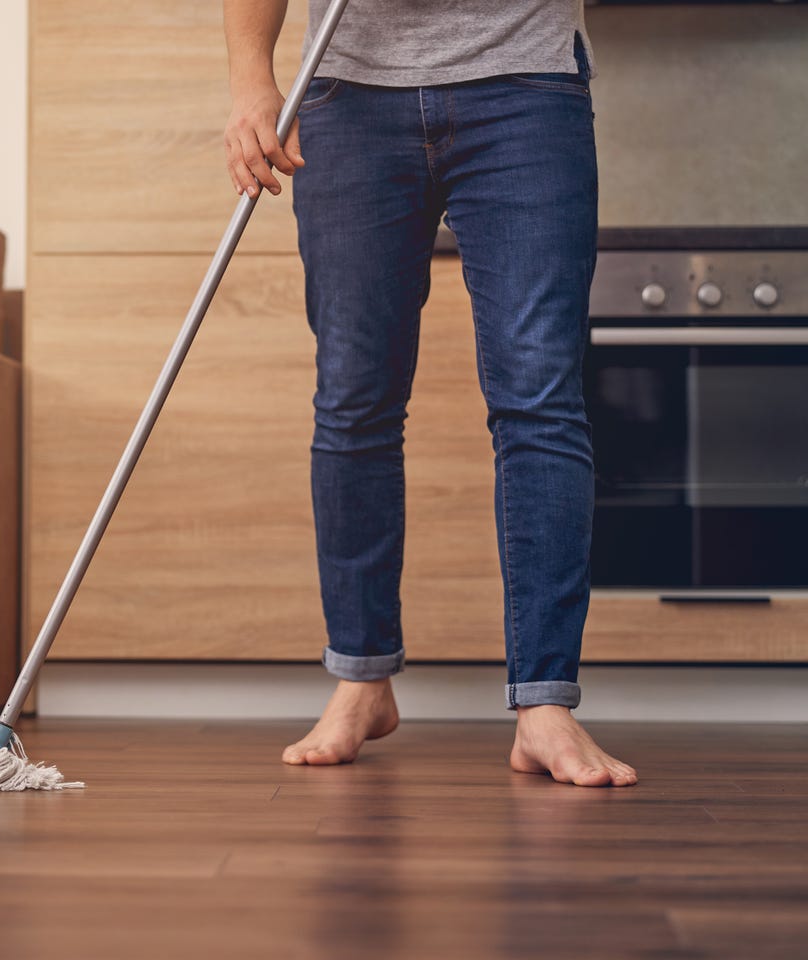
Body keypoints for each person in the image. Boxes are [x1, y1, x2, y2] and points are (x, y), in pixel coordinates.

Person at [223, 0, 638, 787]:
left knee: (539, 399)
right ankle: (361, 678)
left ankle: (544, 703)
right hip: (349, 94)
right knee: (354, 398)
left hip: (526, 86)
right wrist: (252, 81)